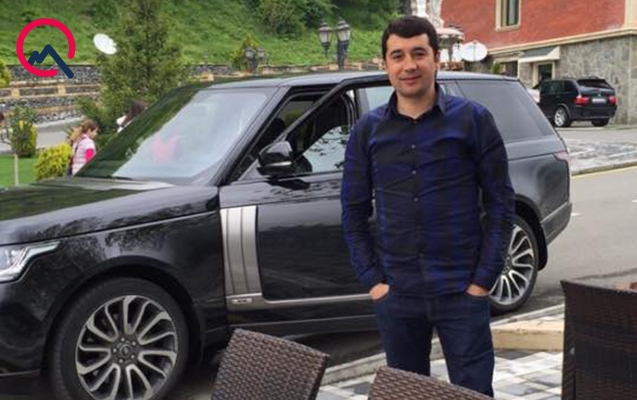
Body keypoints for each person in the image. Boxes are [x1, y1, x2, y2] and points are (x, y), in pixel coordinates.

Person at [340, 16, 514, 397]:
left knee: (473, 393)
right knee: (407, 394)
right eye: (398, 56)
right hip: (398, 295)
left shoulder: (473, 121)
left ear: (436, 58)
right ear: (385, 65)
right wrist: (374, 282)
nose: (409, 65)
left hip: (462, 291)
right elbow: (352, 213)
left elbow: (501, 205)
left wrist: (482, 281)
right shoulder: (367, 131)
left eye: (419, 53)